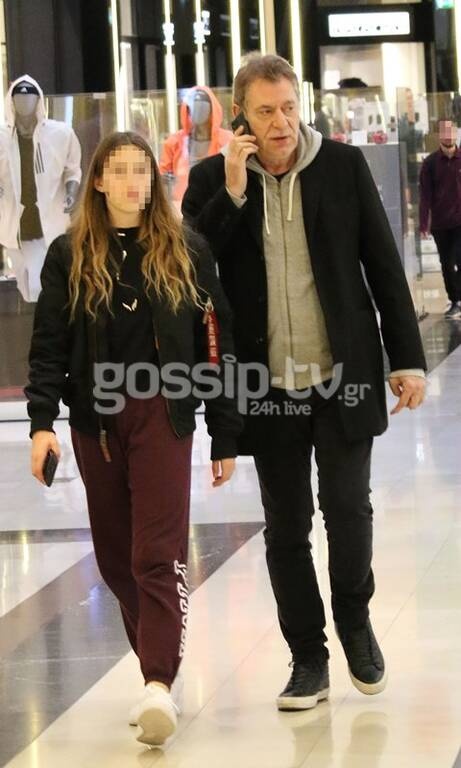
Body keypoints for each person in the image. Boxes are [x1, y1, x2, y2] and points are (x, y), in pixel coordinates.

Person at [182, 54, 426, 711]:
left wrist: (406, 359)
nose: (281, 122)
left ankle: (354, 622)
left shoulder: (342, 167)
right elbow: (190, 267)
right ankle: (308, 657)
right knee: (286, 526)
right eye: (265, 111)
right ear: (241, 117)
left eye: (288, 107)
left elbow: (382, 263)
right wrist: (233, 191)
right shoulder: (212, 178)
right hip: (267, 387)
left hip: (340, 377)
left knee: (348, 510)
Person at [25, 131, 241, 745]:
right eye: (118, 171)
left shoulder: (186, 249)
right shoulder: (69, 255)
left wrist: (225, 431)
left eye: (141, 170)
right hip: (95, 423)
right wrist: (41, 424)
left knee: (157, 551)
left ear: (154, 180)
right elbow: (48, 346)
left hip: (162, 415)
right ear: (97, 181)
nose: (131, 182)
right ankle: (157, 666)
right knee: (117, 559)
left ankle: (158, 682)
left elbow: (214, 341)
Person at [0, 74, 81, 302]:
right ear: (11, 101)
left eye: (29, 98)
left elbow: (72, 169)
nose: (24, 103)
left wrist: (71, 193)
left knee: (48, 283)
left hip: (50, 222)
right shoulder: (2, 138)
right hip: (13, 225)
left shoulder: (60, 134)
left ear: (38, 101)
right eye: (19, 98)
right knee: (25, 286)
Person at [159, 85, 232, 205]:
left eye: (202, 107)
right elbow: (162, 175)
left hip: (218, 206)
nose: (197, 112)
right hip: (180, 206)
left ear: (212, 110)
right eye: (193, 107)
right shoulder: (174, 142)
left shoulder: (227, 141)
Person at [419, 119, 461, 319]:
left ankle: (458, 297)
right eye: (445, 131)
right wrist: (423, 223)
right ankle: (455, 300)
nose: (448, 135)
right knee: (446, 264)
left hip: (460, 221)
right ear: (439, 135)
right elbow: (425, 195)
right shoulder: (430, 163)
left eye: (451, 131)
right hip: (441, 223)